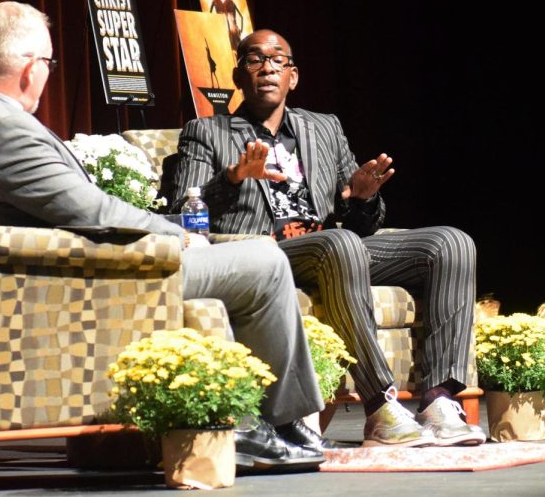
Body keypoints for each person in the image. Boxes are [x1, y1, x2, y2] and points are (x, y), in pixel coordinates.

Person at [0, 2, 327, 472]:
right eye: (50, 64)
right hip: (93, 282)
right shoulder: (1, 127)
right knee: (263, 262)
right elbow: (90, 210)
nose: (48, 75)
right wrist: (176, 233)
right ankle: (270, 425)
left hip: (72, 270)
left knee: (252, 260)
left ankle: (259, 424)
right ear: (29, 69)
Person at [173, 29, 486, 448]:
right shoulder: (206, 132)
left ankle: (439, 400)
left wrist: (359, 198)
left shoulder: (323, 128)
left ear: (293, 76)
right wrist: (232, 178)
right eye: (254, 59)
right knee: (339, 245)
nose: (267, 68)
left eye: (278, 60)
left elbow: (358, 224)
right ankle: (382, 405)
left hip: (333, 247)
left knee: (451, 243)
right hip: (264, 251)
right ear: (237, 74)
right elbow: (180, 208)